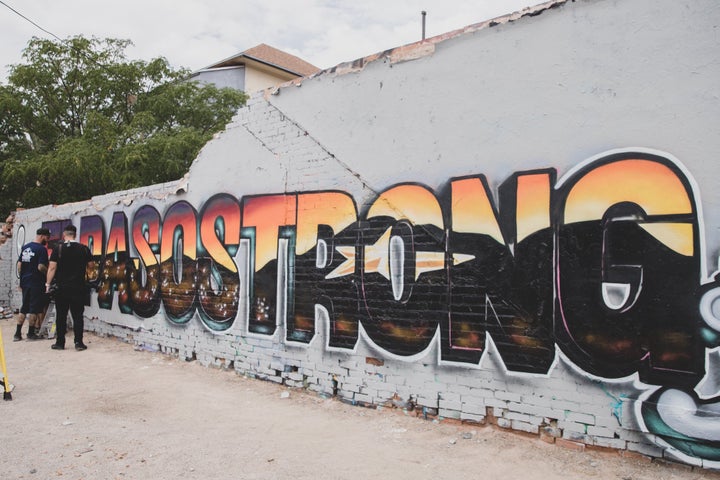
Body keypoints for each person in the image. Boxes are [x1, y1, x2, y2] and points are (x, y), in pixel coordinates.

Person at [45, 225, 95, 351]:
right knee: (78, 315)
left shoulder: (58, 248)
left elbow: (52, 268)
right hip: (78, 288)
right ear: (75, 234)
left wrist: (47, 284)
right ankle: (78, 343)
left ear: (64, 235)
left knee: (61, 316)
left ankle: (60, 343)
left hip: (62, 288)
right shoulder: (83, 249)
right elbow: (91, 266)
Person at [15, 227, 51, 341]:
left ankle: (17, 334)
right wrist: (48, 274)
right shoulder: (41, 249)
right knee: (34, 309)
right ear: (42, 236)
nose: (47, 240)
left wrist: (23, 278)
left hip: (25, 282)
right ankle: (31, 333)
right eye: (47, 237)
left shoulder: (25, 247)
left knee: (24, 308)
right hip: (36, 282)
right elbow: (40, 267)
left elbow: (19, 265)